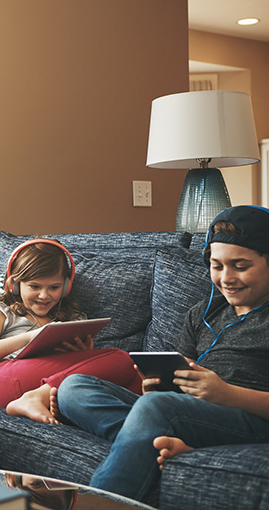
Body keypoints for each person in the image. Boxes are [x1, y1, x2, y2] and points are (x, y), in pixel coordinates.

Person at [55, 205, 269, 503]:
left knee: (156, 409)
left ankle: (99, 502)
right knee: (74, 389)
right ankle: (160, 437)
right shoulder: (202, 313)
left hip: (250, 419)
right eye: (217, 266)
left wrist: (226, 394)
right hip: (189, 411)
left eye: (241, 266)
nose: (226, 278)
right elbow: (176, 373)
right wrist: (157, 384)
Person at [0, 238, 142, 424]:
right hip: (4, 382)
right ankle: (34, 398)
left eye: (54, 287)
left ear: (65, 287)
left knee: (131, 373)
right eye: (34, 286)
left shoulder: (73, 319)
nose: (44, 295)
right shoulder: (4, 314)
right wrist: (29, 337)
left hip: (52, 388)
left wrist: (82, 355)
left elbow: (79, 372)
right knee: (120, 358)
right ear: (14, 285)